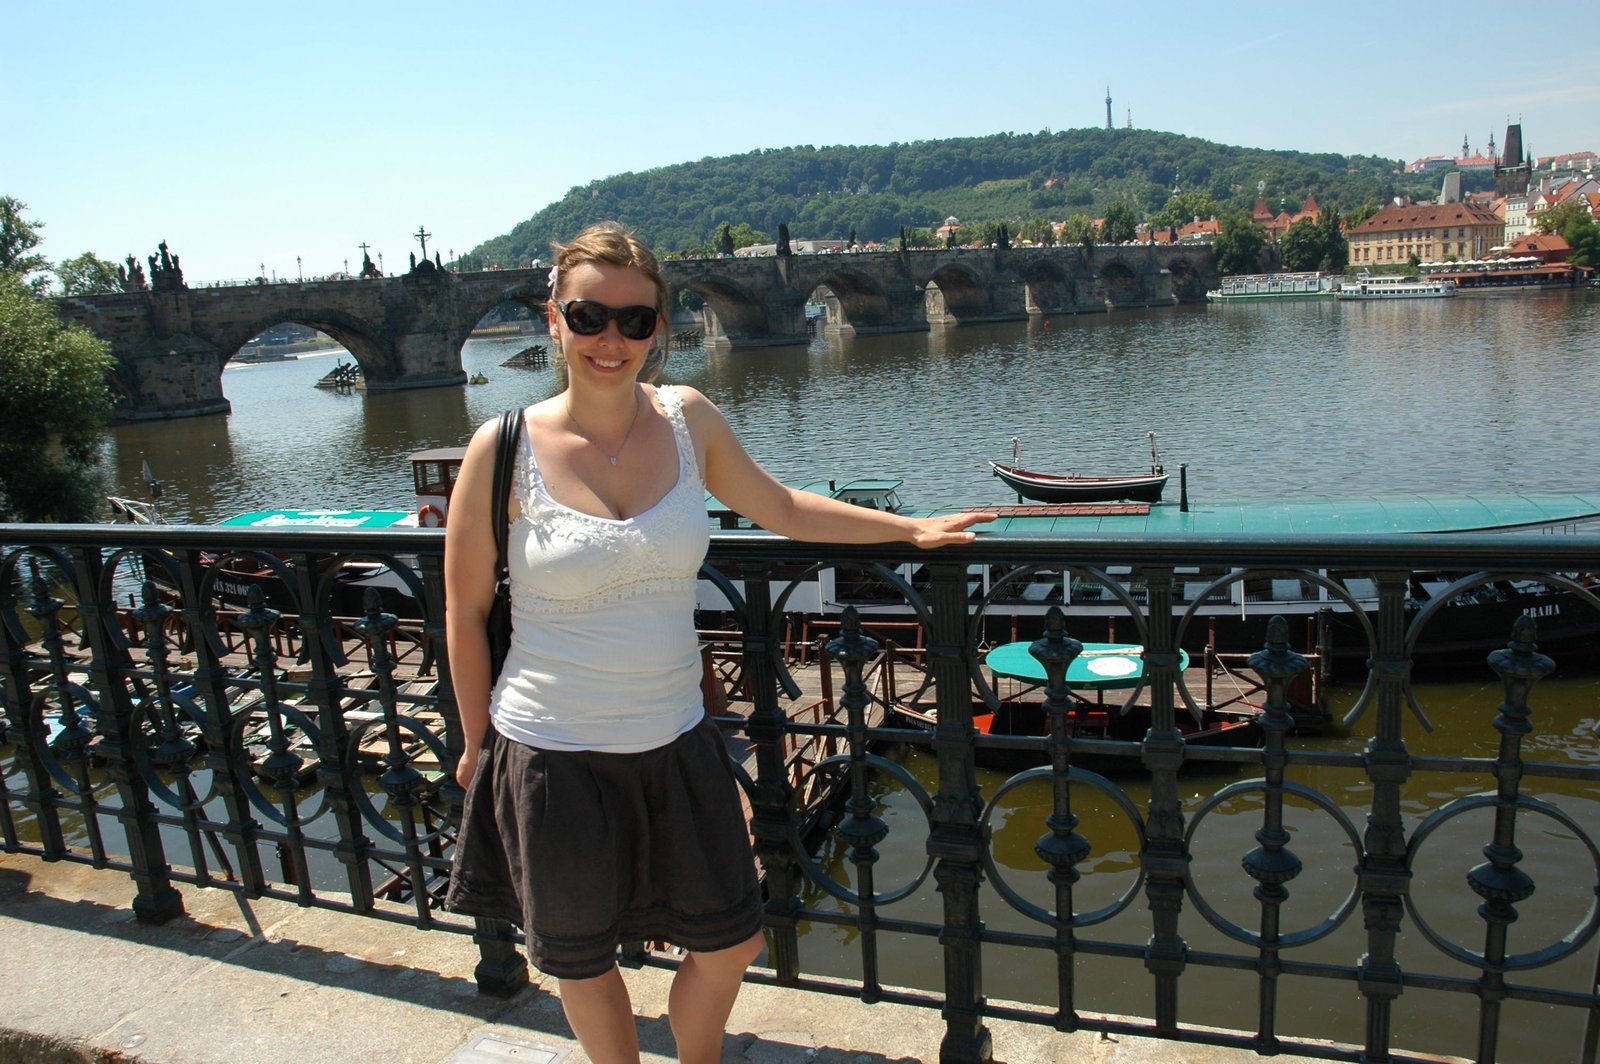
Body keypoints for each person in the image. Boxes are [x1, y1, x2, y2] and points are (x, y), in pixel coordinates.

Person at [444, 221, 992, 1064]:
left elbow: (783, 506)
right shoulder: (503, 447)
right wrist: (475, 740)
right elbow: (464, 606)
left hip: (675, 738)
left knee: (732, 942)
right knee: (584, 962)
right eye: (589, 317)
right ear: (554, 319)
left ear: (658, 327)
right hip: (551, 748)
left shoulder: (686, 417)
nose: (611, 339)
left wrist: (909, 529)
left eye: (634, 320)